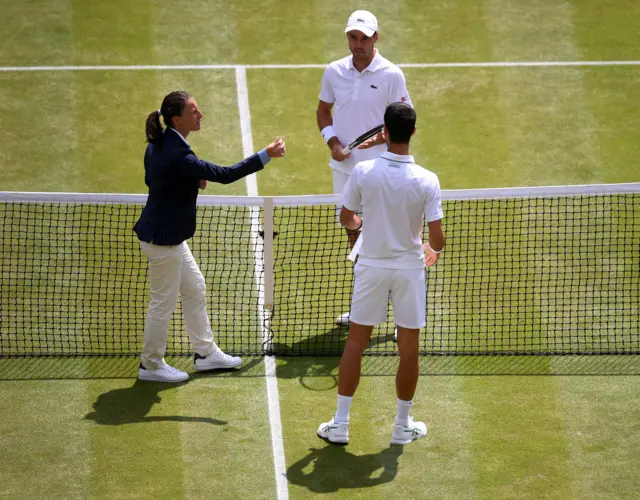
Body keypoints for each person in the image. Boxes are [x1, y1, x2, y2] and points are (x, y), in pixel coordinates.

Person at [134, 90, 286, 383]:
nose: (201, 115)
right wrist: (266, 154)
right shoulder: (178, 154)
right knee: (162, 305)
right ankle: (150, 365)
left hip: (169, 237)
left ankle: (205, 353)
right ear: (178, 119)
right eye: (194, 112)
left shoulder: (161, 143)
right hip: (163, 241)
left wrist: (188, 179)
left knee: (195, 288)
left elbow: (153, 178)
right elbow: (226, 174)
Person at [317, 102, 445, 445]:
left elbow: (347, 218)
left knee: (356, 342)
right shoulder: (428, 180)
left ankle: (340, 425)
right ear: (413, 133)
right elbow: (437, 238)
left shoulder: (363, 172)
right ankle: (403, 427)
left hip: (370, 267)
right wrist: (432, 250)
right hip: (409, 272)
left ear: (383, 133)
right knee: (409, 348)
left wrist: (362, 223)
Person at [316, 9, 413, 326]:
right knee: (354, 236)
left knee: (390, 241)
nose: (357, 44)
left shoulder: (391, 75)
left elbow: (405, 121)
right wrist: (332, 142)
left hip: (383, 171)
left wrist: (381, 138)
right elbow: (323, 111)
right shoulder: (334, 72)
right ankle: (365, 307)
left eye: (363, 38)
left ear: (375, 38)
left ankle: (402, 315)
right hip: (345, 172)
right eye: (352, 37)